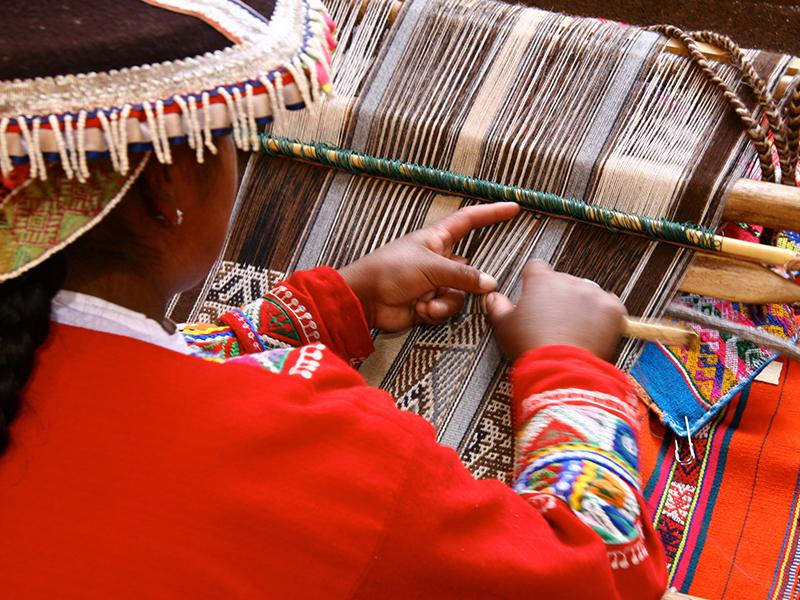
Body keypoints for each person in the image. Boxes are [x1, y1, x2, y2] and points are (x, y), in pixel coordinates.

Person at [0, 0, 666, 597]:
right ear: (166, 186)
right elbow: (595, 579)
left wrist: (334, 305)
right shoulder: (329, 460)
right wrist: (567, 367)